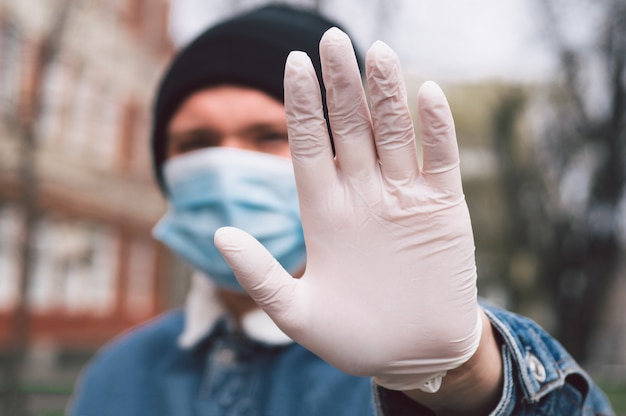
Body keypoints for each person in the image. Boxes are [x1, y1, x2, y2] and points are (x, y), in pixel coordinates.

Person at [68, 4, 614, 415]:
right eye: (196, 142)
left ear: (343, 154)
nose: (227, 164)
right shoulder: (116, 375)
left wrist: (464, 377)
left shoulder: (425, 344)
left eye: (267, 134)